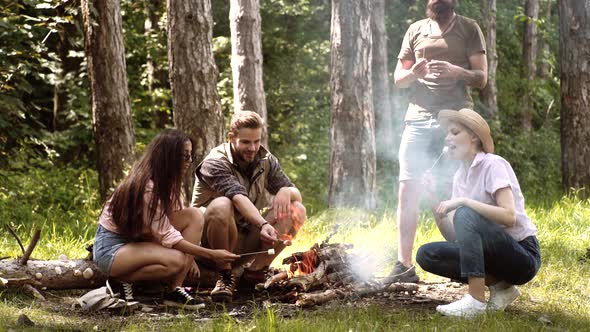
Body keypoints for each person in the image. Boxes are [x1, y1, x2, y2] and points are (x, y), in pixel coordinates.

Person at [389, 0, 488, 283]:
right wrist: (414, 74)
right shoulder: (415, 30)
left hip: (456, 120)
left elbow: (481, 78)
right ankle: (404, 266)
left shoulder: (469, 28)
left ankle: (471, 265)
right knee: (408, 189)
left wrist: (457, 71)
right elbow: (399, 79)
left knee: (448, 194)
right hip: (417, 119)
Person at [93, 129, 239, 309]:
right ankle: (119, 280)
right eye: (185, 156)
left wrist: (191, 258)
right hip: (113, 248)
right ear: (169, 157)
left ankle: (174, 290)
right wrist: (212, 254)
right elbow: (168, 236)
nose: (189, 162)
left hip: (139, 240)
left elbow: (175, 221)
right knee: (176, 261)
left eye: (190, 156)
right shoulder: (148, 187)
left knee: (194, 215)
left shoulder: (168, 182)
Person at [416, 109, 541, 317]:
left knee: (465, 212)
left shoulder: (494, 164)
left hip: (522, 256)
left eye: (454, 133)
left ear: (473, 136)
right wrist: (431, 198)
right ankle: (501, 288)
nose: (447, 138)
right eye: (447, 133)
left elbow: (510, 217)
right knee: (427, 254)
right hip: (490, 256)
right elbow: (456, 237)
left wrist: (465, 202)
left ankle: (475, 301)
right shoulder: (460, 176)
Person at [192, 111, 306, 303]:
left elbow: (298, 196)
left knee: (297, 209)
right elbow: (237, 197)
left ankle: (253, 274)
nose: (252, 148)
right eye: (245, 142)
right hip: (208, 245)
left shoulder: (265, 160)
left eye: (256, 141)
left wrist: (286, 190)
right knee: (222, 204)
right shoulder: (215, 162)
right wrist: (263, 225)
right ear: (231, 138)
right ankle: (225, 276)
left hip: (243, 237)